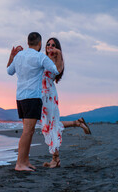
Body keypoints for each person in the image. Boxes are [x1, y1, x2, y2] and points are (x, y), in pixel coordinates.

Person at [7, 32, 63, 171]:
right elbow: (56, 70)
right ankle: (20, 164)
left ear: (28, 43)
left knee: (29, 131)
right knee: (27, 131)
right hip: (32, 98)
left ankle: (25, 162)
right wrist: (59, 54)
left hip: (20, 98)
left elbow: (9, 71)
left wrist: (12, 56)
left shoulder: (19, 56)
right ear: (39, 44)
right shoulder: (40, 57)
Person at [41, 37, 91, 168]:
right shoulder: (42, 58)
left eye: (53, 45)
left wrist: (59, 54)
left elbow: (58, 70)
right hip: (41, 95)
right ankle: (77, 122)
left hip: (49, 96)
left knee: (51, 126)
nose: (50, 46)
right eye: (48, 44)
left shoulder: (58, 60)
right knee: (50, 124)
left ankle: (55, 159)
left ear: (57, 47)